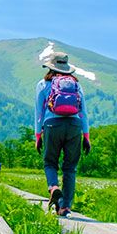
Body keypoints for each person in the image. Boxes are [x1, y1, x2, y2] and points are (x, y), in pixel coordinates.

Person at [34, 52, 91, 216]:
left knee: (50, 163)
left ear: (51, 67)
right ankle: (65, 207)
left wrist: (38, 135)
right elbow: (83, 112)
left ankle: (54, 188)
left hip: (52, 125)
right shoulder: (76, 85)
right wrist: (86, 136)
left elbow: (39, 112)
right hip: (74, 126)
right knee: (70, 168)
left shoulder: (43, 84)